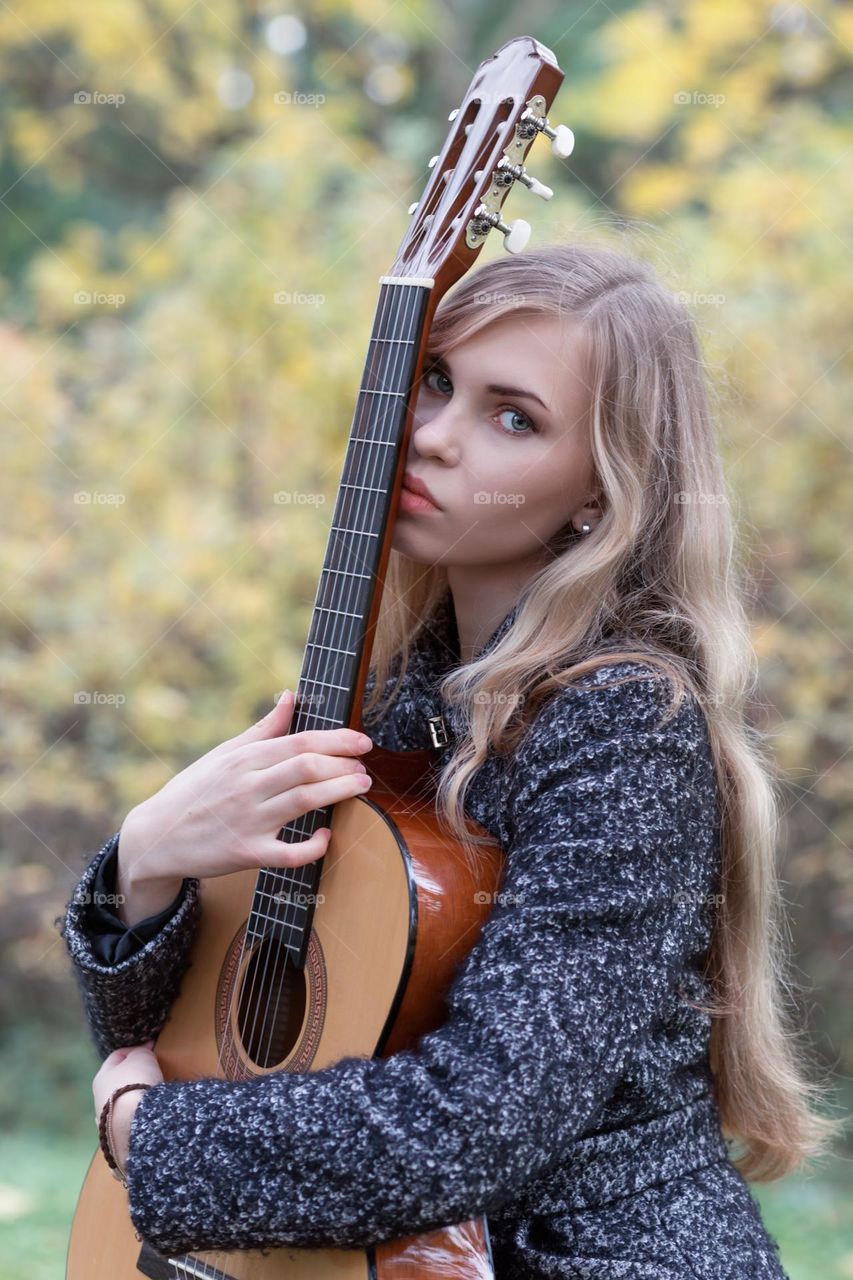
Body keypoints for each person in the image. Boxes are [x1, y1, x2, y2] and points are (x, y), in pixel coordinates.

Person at [59, 242, 840, 1277]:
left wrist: (145, 1137)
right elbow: (183, 1041)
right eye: (435, 381)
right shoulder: (385, 699)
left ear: (599, 492)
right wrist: (144, 861)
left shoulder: (624, 727)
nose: (428, 436)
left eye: (512, 416)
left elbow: (469, 1123)